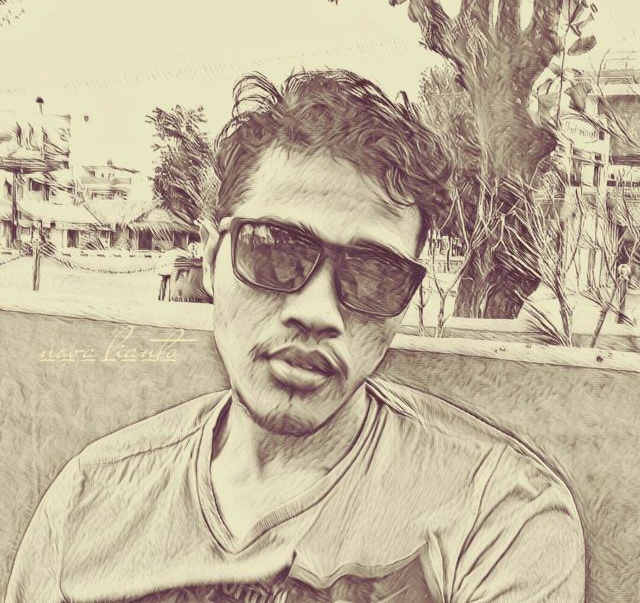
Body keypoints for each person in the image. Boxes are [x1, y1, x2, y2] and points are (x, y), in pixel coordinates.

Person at [6, 70, 585, 603]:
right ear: (211, 260)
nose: (316, 312)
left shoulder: (499, 515)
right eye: (275, 251)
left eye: (373, 275)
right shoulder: (90, 498)